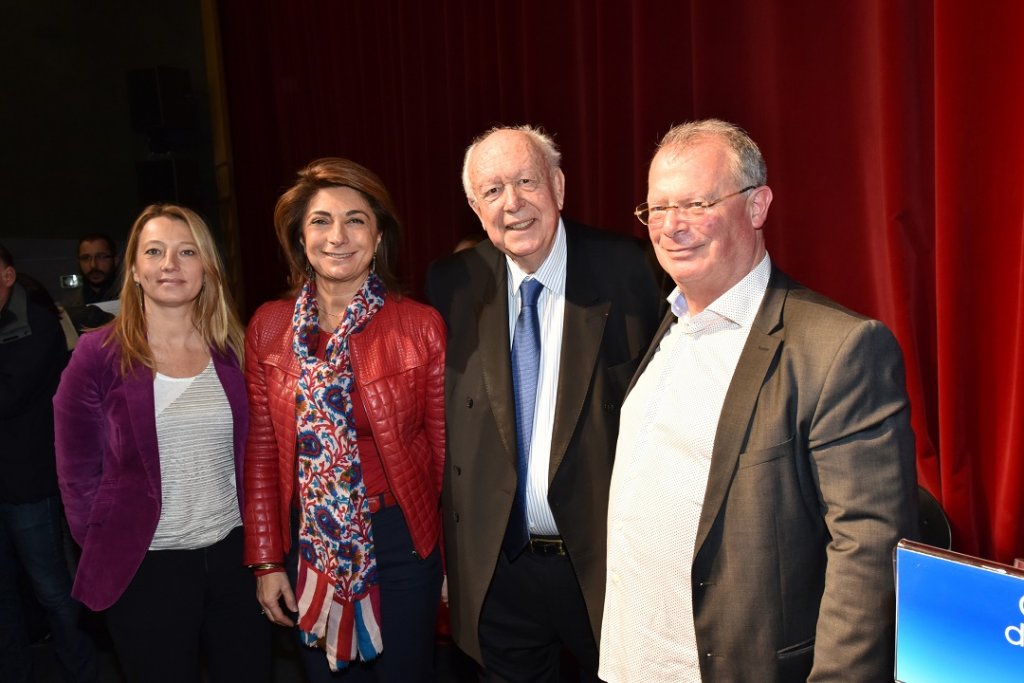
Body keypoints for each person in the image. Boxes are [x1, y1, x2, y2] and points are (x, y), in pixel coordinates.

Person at [599, 119, 919, 682]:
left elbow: (869, 552)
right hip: (631, 661)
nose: (672, 227)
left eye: (696, 203)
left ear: (757, 205)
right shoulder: (669, 326)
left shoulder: (838, 348)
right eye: (657, 209)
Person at [425, 125, 662, 681]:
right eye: (493, 190)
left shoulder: (633, 270)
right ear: (474, 206)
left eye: (527, 181)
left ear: (557, 184)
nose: (513, 204)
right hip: (501, 576)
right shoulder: (452, 283)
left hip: (607, 568)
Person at [244, 157, 445, 682]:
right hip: (310, 547)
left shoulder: (420, 326)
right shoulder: (268, 327)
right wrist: (267, 562)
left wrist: (451, 560)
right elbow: (262, 453)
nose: (339, 235)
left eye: (356, 219)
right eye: (321, 220)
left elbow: (446, 454)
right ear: (300, 237)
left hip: (402, 543)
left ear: (378, 236)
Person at [53, 205, 270, 682]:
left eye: (186, 251)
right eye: (155, 251)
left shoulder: (237, 349)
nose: (170, 263)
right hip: (145, 568)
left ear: (207, 268)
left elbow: (262, 456)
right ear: (134, 268)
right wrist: (107, 544)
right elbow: (76, 473)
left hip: (237, 561)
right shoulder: (97, 355)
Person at [0, 245, 96, 683]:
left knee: (52, 589)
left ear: (7, 276)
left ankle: (83, 669)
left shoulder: (38, 325)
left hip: (28, 485)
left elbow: (9, 397)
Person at [77, 234, 121, 305]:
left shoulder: (134, 296)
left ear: (115, 260)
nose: (93, 265)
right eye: (86, 258)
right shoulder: (68, 303)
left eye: (101, 257)